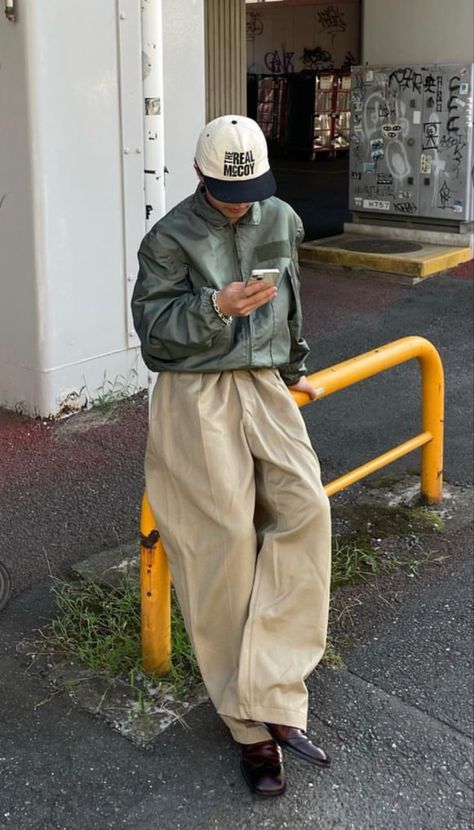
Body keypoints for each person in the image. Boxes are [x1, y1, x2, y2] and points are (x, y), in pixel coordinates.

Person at [132, 115, 332, 797]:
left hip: (262, 383)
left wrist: (295, 363)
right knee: (219, 546)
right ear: (198, 175)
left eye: (250, 188)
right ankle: (251, 728)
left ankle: (273, 688)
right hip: (194, 392)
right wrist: (215, 305)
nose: (241, 203)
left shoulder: (280, 216)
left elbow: (292, 299)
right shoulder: (168, 238)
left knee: (307, 510)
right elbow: (155, 340)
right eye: (225, 190)